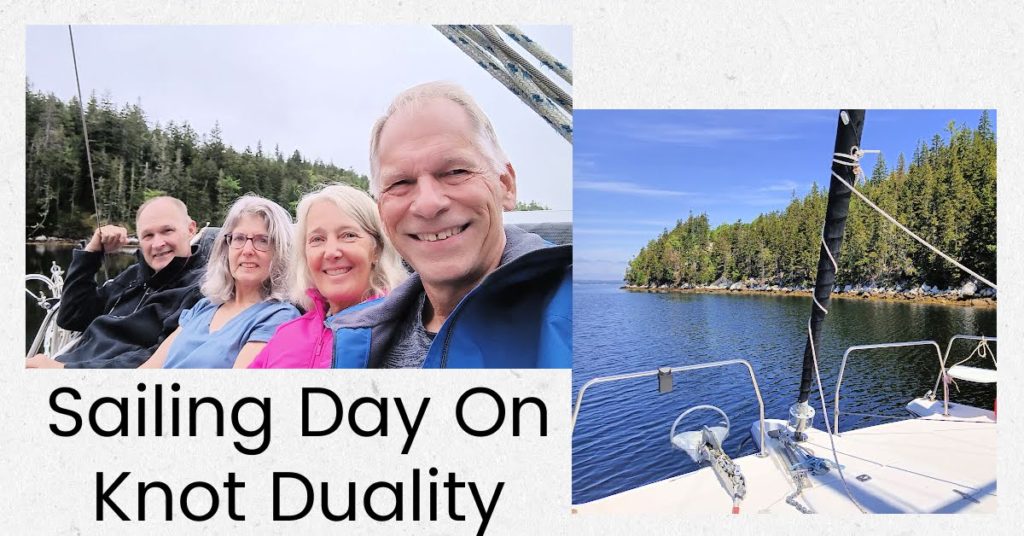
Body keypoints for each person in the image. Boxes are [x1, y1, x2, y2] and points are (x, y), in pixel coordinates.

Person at [329, 81, 572, 368]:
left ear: (505, 185)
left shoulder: (573, 315)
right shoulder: (355, 337)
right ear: (382, 210)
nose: (429, 204)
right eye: (400, 183)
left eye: (456, 171)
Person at [26, 196, 206, 369]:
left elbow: (158, 359)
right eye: (148, 235)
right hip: (67, 364)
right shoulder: (134, 275)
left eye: (167, 231)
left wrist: (65, 370)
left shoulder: (203, 289)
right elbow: (72, 317)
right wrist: (91, 254)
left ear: (191, 229)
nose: (157, 243)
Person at [249, 183, 407, 368]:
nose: (331, 252)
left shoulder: (407, 332)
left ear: (377, 249)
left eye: (348, 235)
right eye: (317, 239)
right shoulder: (286, 335)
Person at [139, 195, 299, 369]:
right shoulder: (204, 306)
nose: (247, 250)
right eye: (239, 238)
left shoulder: (280, 317)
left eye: (263, 240)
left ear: (280, 253)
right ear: (226, 248)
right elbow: (149, 370)